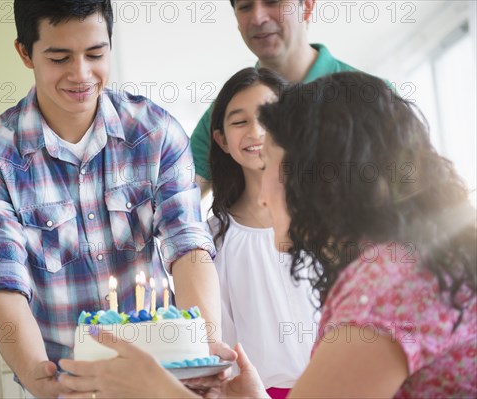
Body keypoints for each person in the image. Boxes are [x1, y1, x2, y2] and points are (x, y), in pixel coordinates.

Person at [57, 72, 477, 398]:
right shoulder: (405, 264)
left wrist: (157, 390)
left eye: (274, 163)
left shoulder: (388, 287)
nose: (263, 198)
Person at [0, 1, 232, 397]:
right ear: (25, 52)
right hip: (65, 379)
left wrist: (203, 350)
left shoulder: (155, 133)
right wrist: (40, 377)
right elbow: (3, 281)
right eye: (59, 57)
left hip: (162, 378)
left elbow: (188, 246)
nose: (81, 74)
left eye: (95, 54)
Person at [208, 67, 316, 398]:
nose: (256, 131)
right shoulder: (213, 238)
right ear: (222, 140)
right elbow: (222, 336)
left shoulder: (327, 219)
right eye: (239, 122)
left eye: (268, 117)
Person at [191, 0, 358, 198]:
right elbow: (178, 202)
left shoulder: (370, 97)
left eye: (273, 2)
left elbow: (399, 203)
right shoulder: (226, 109)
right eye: (245, 7)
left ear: (307, 6)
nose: (258, 18)